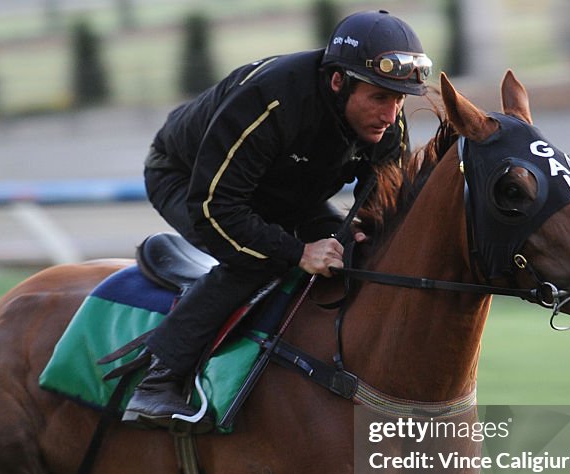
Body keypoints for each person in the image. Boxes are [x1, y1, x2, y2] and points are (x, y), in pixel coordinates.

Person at [123, 9, 432, 428]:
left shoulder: (386, 124)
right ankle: (160, 379)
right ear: (338, 82)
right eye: (379, 97)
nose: (391, 114)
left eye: (399, 100)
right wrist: (299, 252)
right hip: (190, 180)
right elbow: (218, 209)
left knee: (359, 251)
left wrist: (365, 229)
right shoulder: (271, 99)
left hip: (284, 189)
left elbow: (383, 203)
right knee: (257, 258)